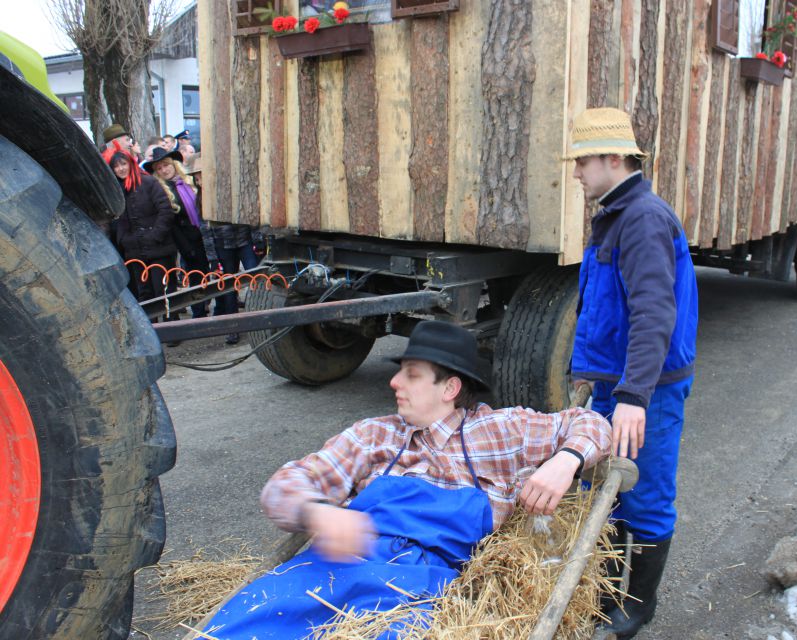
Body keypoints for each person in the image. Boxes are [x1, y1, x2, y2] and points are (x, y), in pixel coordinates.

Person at [202, 321, 612, 639]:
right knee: (239, 625)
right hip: (330, 570)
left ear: (450, 387)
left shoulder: (500, 432)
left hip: (416, 589)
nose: (394, 382)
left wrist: (566, 460)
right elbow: (282, 488)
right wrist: (317, 514)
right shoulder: (374, 435)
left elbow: (591, 423)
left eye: (412, 374)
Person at [565, 107, 698, 637]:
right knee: (610, 489)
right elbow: (603, 305)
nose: (576, 173)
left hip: (647, 390)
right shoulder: (618, 214)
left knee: (644, 491)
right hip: (617, 382)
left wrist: (634, 396)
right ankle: (608, 586)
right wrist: (591, 372)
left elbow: (653, 312)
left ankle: (636, 606)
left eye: (582, 162)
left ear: (613, 158)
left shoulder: (642, 218)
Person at [186, 154, 263, 344]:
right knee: (227, 286)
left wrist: (257, 239)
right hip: (223, 246)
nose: (199, 181)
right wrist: (213, 258)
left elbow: (250, 214)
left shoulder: (231, 190)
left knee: (256, 278)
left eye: (202, 176)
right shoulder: (201, 199)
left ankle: (260, 319)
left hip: (243, 240)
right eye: (196, 178)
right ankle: (233, 326)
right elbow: (206, 231)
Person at [102, 145, 179, 319]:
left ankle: (172, 326)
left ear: (130, 163)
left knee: (164, 290)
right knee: (145, 293)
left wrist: (155, 235)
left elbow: (165, 210)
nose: (121, 168)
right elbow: (117, 220)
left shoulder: (148, 182)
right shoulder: (117, 191)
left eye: (123, 164)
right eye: (117, 166)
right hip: (135, 249)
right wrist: (125, 240)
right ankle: (152, 328)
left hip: (158, 247)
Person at [143, 146, 215, 318]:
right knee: (196, 277)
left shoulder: (188, 181)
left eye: (166, 165)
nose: (164, 170)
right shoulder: (161, 190)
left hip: (204, 234)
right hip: (187, 239)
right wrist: (185, 247)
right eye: (159, 168)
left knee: (210, 272)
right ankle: (198, 313)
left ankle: (208, 304)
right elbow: (171, 225)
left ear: (174, 164)